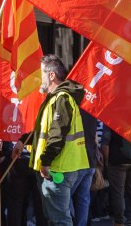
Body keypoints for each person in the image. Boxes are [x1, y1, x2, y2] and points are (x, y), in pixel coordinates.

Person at [28, 55, 90, 226]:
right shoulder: (59, 98)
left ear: (51, 75)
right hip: (62, 167)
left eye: (40, 73)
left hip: (57, 168)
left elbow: (57, 135)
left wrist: (45, 162)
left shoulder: (61, 98)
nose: (38, 78)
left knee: (60, 220)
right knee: (57, 217)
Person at [101, 126, 131, 226]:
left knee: (118, 193)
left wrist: (107, 162)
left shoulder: (111, 119)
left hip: (117, 161)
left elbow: (105, 145)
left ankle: (119, 222)